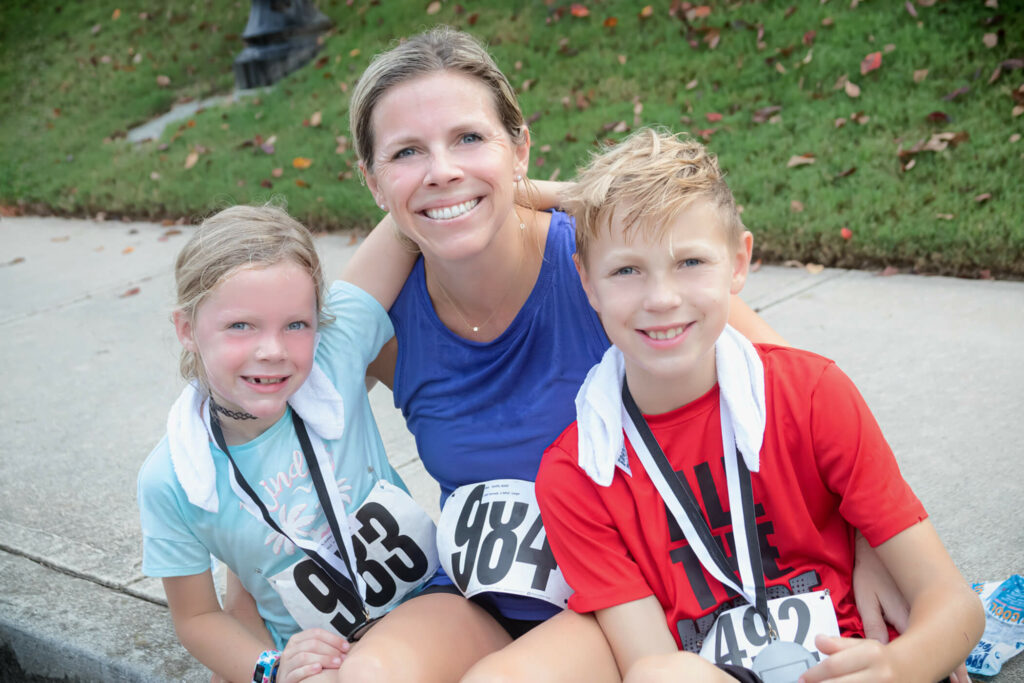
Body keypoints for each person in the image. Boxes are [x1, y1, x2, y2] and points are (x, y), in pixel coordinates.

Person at [283, 25, 929, 683]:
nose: (441, 167)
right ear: (369, 179)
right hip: (482, 593)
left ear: (520, 146)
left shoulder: (614, 274)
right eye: (406, 152)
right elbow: (282, 405)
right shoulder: (389, 322)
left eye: (469, 138)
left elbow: (798, 399)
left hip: (628, 596)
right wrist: (253, 634)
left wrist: (871, 542)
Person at [534, 128, 984, 683]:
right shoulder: (576, 472)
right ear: (587, 283)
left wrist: (899, 666)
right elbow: (650, 664)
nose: (661, 298)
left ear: (739, 263)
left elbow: (955, 606)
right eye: (627, 270)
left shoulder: (813, 394)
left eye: (691, 262)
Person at [136, 205, 441, 682]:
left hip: (428, 608)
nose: (273, 350)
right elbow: (196, 618)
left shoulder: (334, 355)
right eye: (241, 325)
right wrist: (269, 669)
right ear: (187, 329)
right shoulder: (172, 479)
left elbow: (413, 211)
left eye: (296, 324)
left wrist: (571, 197)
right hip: (311, 659)